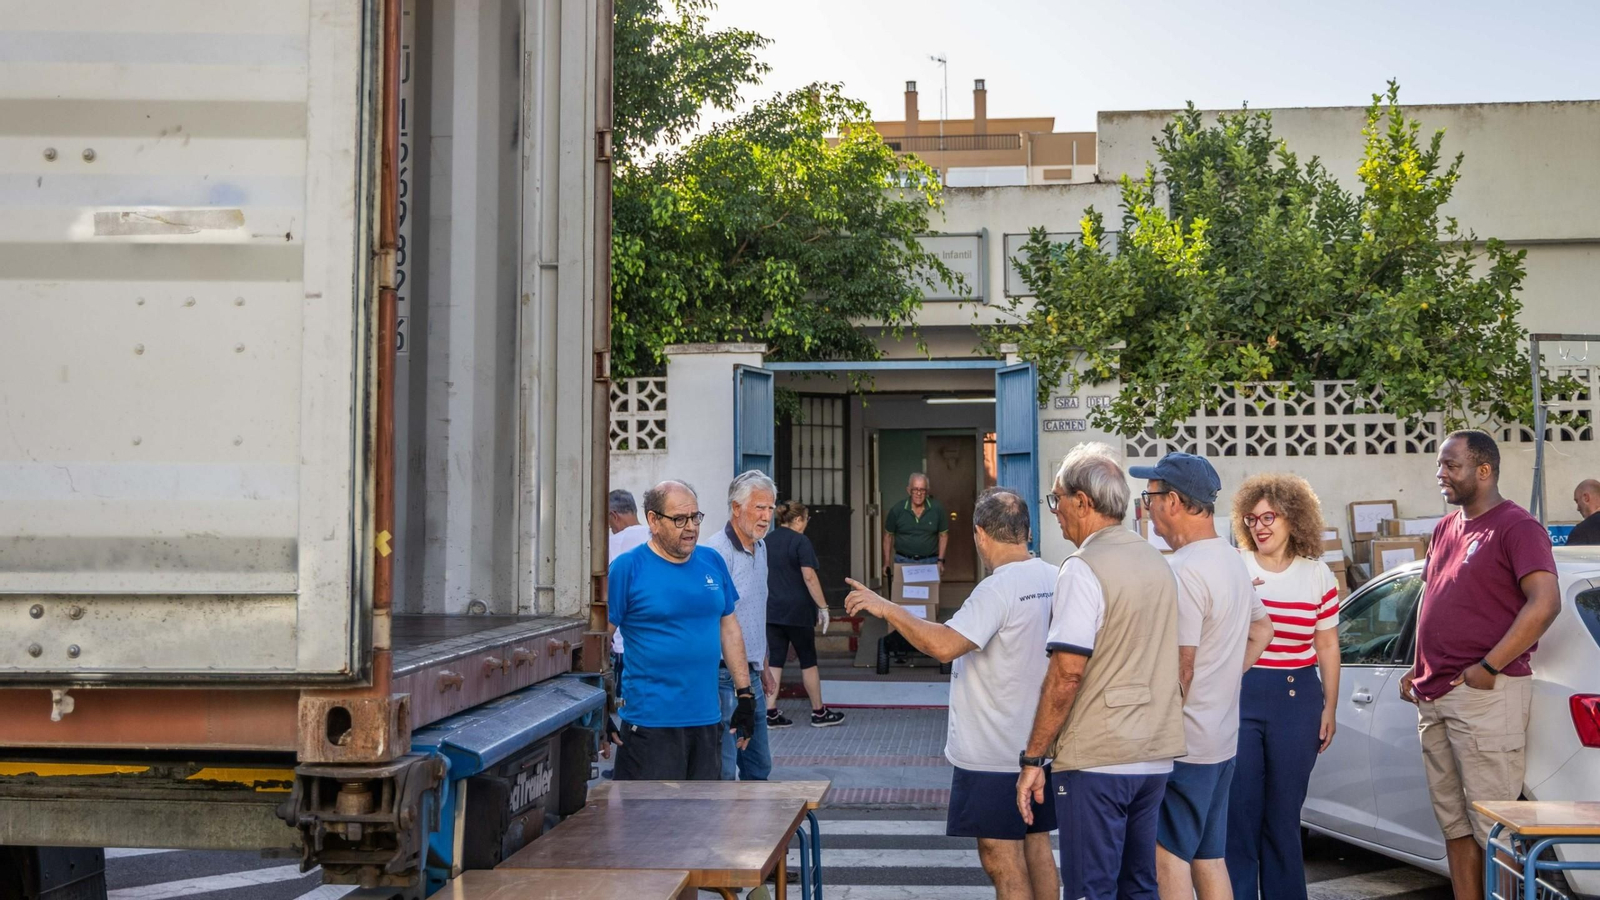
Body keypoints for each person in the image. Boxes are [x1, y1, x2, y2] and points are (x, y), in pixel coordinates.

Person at [847, 488, 1060, 900]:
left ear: (980, 534)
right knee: (1038, 846)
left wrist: (887, 607)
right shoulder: (1054, 578)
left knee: (1001, 859)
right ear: (1027, 532)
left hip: (994, 752)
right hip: (1041, 746)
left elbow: (943, 644)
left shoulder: (996, 589)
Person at [1017, 443, 1186, 900]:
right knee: (1138, 885)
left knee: (1091, 889)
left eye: (1056, 500)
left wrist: (1034, 758)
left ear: (1082, 502)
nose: (1054, 512)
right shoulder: (1157, 562)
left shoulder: (1082, 568)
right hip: (1153, 753)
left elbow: (1067, 674)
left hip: (1099, 757)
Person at [1400, 430, 1560, 900]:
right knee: (1453, 825)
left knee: (1496, 830)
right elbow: (1433, 598)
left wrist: (1488, 667)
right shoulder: (1446, 527)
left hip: (1485, 696)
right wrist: (1417, 664)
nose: (1440, 474)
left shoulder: (1516, 526)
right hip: (1435, 694)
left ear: (1484, 470)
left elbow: (1545, 603)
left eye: (1452, 465)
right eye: (1439, 465)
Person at [1133, 454, 1274, 900]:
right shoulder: (1230, 559)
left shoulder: (1183, 570)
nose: (1146, 508)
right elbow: (1262, 630)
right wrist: (1227, 671)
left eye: (1150, 497)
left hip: (1185, 744)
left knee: (1167, 856)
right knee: (1209, 857)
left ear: (1173, 501)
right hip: (1220, 739)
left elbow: (1183, 667)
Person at [1226, 473, 1342, 900]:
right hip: (1241, 697)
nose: (1260, 526)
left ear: (1293, 519)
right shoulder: (1235, 566)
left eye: (1269, 516)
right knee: (1239, 813)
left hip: (1298, 702)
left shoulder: (1318, 576)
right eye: (1252, 518)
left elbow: (1327, 645)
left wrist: (1329, 708)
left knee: (1282, 816)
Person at [605, 480, 758, 780]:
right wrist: (600, 704)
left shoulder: (711, 561)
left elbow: (729, 628)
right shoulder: (627, 568)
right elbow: (601, 638)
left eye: (695, 517)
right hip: (650, 727)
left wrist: (745, 695)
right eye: (679, 519)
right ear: (653, 520)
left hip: (706, 722)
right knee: (649, 823)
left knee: (703, 822)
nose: (690, 527)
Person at [703, 470, 781, 781]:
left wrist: (763, 663)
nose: (766, 517)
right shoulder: (716, 552)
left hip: (751, 671)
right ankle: (723, 828)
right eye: (759, 508)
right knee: (723, 768)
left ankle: (755, 828)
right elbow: (714, 618)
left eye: (770, 509)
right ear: (736, 508)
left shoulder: (761, 548)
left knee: (759, 765)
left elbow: (755, 608)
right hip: (722, 674)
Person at [763, 501, 845, 728]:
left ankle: (770, 712)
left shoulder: (766, 541)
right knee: (808, 661)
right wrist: (824, 607)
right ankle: (819, 712)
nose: (807, 524)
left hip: (772, 611)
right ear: (798, 520)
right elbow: (809, 576)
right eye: (806, 520)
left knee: (775, 660)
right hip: (798, 612)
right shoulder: (801, 541)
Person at [607, 489, 652, 696]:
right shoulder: (655, 535)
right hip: (655, 643)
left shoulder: (613, 543)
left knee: (627, 706)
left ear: (614, 515)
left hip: (625, 644)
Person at [883, 472, 949, 578]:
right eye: (915, 489)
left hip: (929, 562)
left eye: (922, 490)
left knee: (929, 594)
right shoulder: (897, 510)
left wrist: (940, 561)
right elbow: (888, 536)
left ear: (927, 491)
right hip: (903, 561)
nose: (919, 493)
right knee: (904, 594)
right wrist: (886, 562)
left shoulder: (937, 509)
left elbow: (943, 536)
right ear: (909, 490)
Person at [1569, 478, 1600, 545]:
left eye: (1577, 501)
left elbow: (1570, 555)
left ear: (1586, 498)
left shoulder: (1582, 531)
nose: (1577, 508)